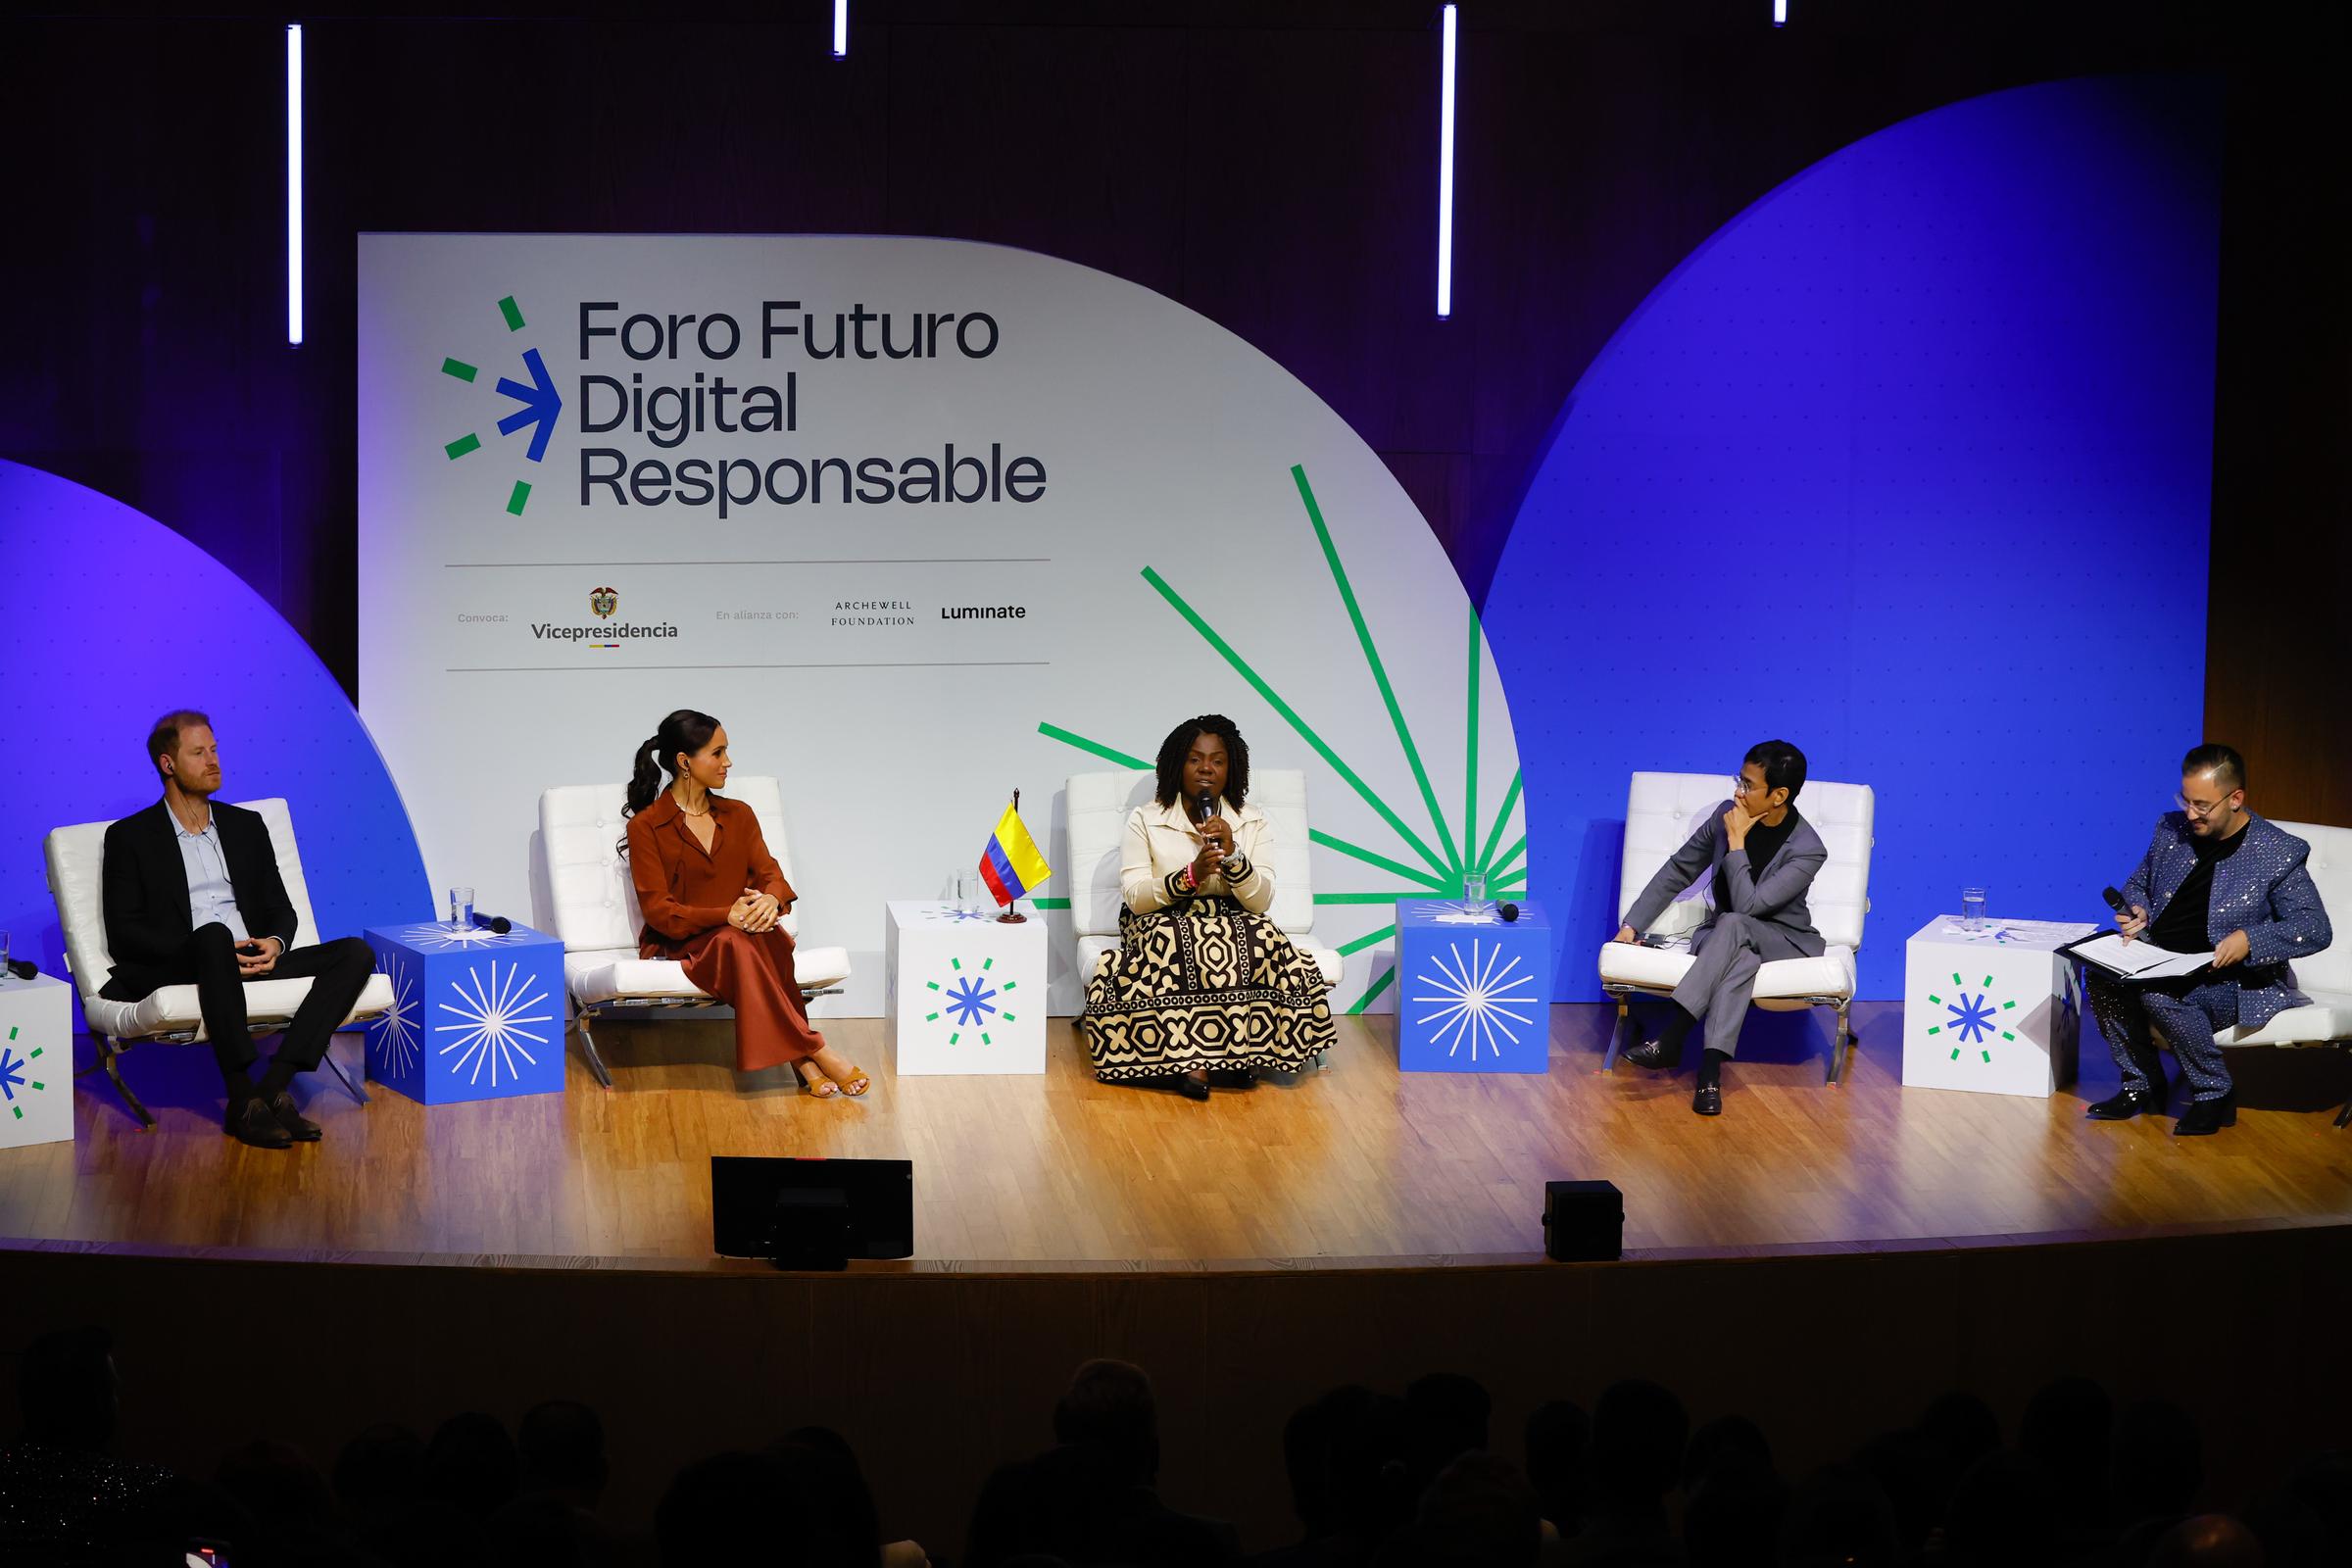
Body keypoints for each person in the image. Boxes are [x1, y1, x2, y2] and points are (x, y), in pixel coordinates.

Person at [98, 710, 377, 1149]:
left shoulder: (245, 826)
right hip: (187, 960)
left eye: (214, 749)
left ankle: (272, 1089)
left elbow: (281, 909)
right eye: (198, 752)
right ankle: (240, 1097)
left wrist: (274, 942)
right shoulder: (130, 837)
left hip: (248, 958)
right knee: (212, 935)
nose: (213, 761)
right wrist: (207, 951)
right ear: (167, 764)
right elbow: (124, 934)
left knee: (355, 954)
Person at [1078, 714, 1336, 1098]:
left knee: (1261, 938)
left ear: (1231, 769)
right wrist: (1190, 876)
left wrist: (1233, 857)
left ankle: (1240, 1055)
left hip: (1232, 915)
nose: (1206, 769)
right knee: (1180, 940)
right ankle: (1195, 1063)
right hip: (1159, 916)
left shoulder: (1251, 822)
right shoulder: (1146, 820)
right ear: (1177, 765)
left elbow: (1261, 900)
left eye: (1217, 760)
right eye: (1195, 759)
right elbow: (1135, 895)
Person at [2084, 744, 2331, 1136]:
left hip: (2230, 979)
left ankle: (2214, 1094)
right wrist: (2140, 908)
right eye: (2185, 799)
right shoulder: (2172, 830)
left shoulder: (2277, 850)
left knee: (2160, 994)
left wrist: (2251, 939)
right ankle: (2142, 1083)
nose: (2190, 813)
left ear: (2236, 799)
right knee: (2100, 978)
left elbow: (2315, 927)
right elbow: (2139, 883)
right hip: (2160, 959)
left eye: (2202, 805)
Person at [623, 709, 867, 1096]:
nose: (728, 762)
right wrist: (727, 915)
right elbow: (659, 912)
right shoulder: (646, 827)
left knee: (768, 935)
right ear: (685, 762)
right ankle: (816, 1049)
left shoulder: (739, 815)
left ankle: (804, 1061)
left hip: (745, 938)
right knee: (737, 940)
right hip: (683, 942)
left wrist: (771, 898)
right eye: (717, 753)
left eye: (726, 751)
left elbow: (772, 874)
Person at [1612, 740, 1827, 1115]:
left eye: (1747, 785)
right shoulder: (1726, 815)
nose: (1737, 792)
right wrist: (1632, 925)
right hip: (1728, 938)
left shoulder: (1808, 848)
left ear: (1779, 795)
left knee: (1735, 923)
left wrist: (1738, 842)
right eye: (1738, 780)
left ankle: (1672, 1036)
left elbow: (1750, 907)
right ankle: (1709, 1075)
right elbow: (1680, 869)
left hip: (1784, 938)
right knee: (1739, 958)